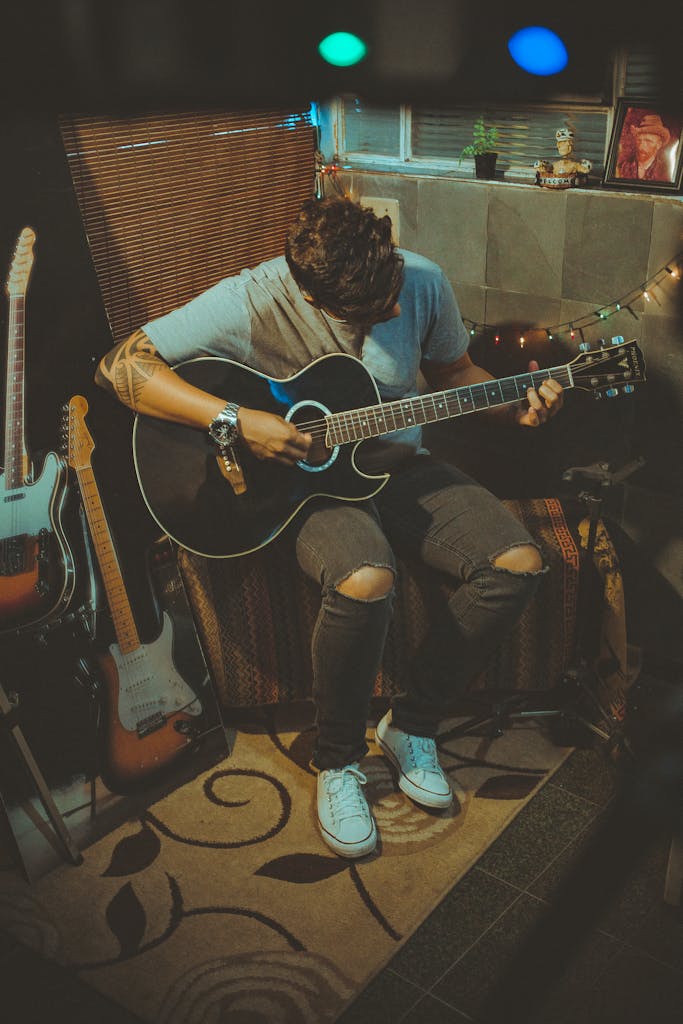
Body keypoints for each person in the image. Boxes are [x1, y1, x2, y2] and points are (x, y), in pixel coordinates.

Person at [95, 197, 564, 859]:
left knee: (517, 563)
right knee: (365, 578)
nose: (395, 312)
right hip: (300, 484)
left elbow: (457, 374)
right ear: (314, 297)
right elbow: (120, 367)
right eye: (373, 310)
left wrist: (514, 405)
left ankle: (413, 723)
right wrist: (235, 420)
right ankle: (338, 760)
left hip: (396, 462)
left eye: (394, 290)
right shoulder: (252, 298)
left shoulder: (420, 281)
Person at [616, 113, 672, 182]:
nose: (641, 146)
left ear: (658, 145)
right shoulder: (622, 167)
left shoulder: (665, 172)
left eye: (648, 141)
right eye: (639, 140)